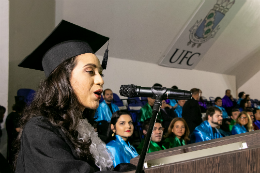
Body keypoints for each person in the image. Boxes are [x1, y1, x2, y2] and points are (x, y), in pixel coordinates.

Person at [14, 20, 134, 172]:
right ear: (63, 79)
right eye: (90, 71)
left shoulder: (83, 125)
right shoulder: (39, 129)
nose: (100, 80)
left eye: (100, 73)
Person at [6, 99, 26, 164]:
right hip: (15, 140)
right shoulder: (16, 116)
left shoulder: (10, 115)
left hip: (11, 139)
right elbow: (17, 129)